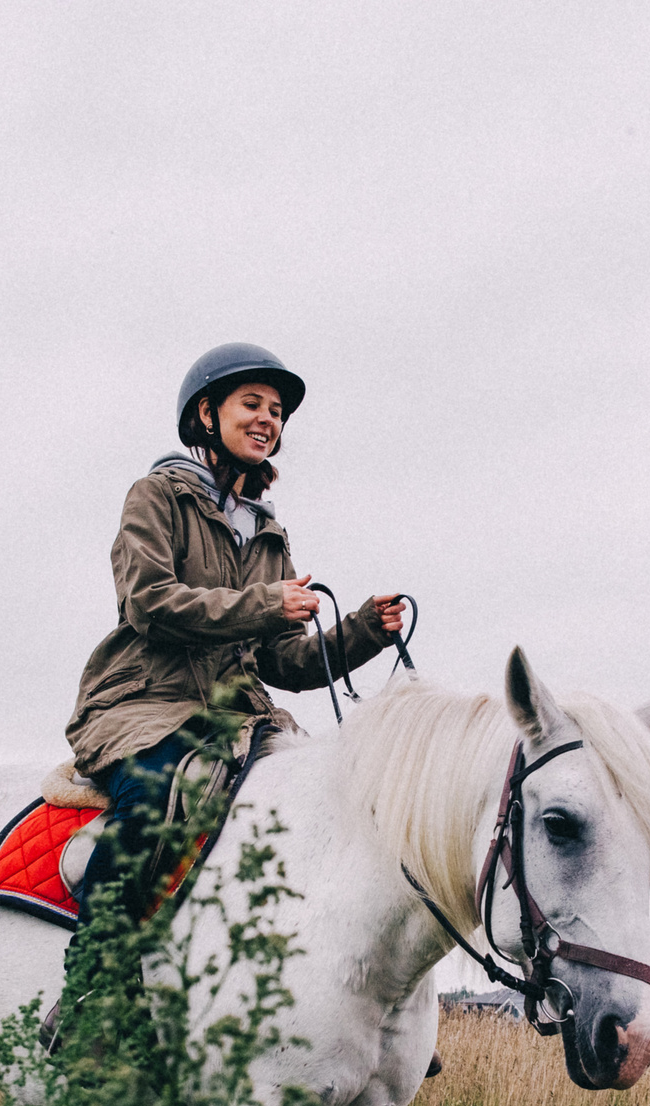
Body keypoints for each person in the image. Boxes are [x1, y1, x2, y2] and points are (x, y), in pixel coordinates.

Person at [52, 343, 406, 1035]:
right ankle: (92, 982)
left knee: (337, 790)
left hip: (239, 713)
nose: (269, 419)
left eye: (277, 411)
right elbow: (149, 603)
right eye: (253, 404)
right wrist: (265, 604)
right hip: (144, 702)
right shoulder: (155, 496)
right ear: (207, 414)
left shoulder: (268, 533)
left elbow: (289, 662)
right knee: (158, 792)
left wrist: (365, 629)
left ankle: (369, 1004)